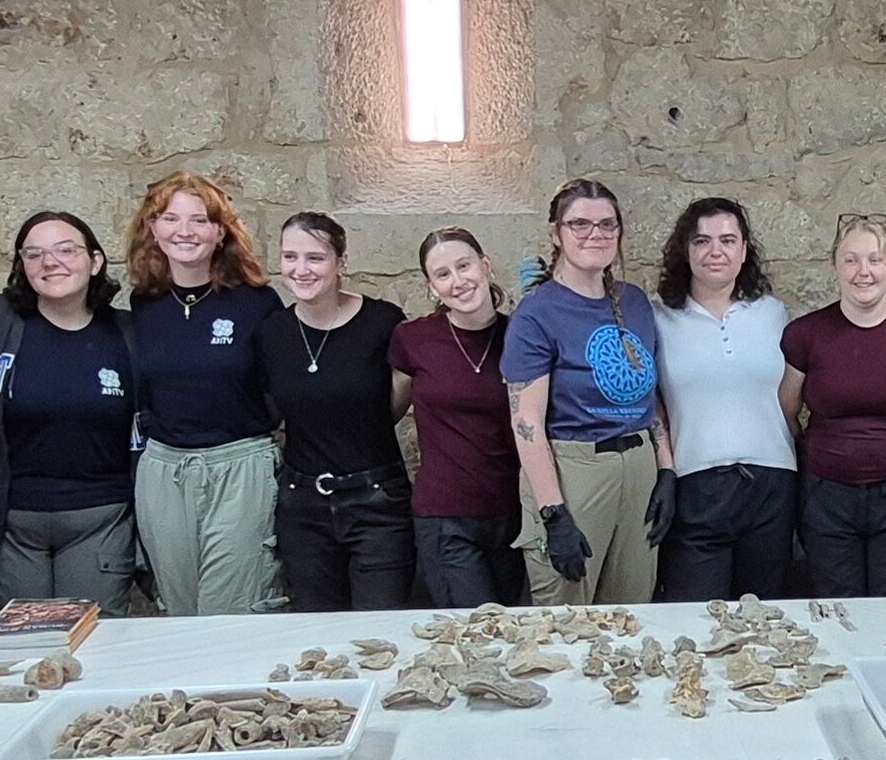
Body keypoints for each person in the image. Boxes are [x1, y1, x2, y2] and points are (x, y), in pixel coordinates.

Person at [0, 210, 147, 615]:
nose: (50, 262)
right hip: (13, 525)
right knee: (25, 646)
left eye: (66, 250)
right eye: (34, 254)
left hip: (100, 518)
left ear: (95, 261)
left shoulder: (129, 333)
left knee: (94, 644)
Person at [122, 171, 283, 616]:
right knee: (178, 608)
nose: (185, 232)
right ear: (152, 229)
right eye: (171, 219)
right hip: (164, 469)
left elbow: (279, 389)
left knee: (230, 607)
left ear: (220, 232)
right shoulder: (142, 305)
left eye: (200, 220)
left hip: (239, 464)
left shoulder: (257, 303)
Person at [507, 178, 668, 605]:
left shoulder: (634, 303)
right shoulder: (537, 313)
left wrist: (666, 469)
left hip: (638, 466)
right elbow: (526, 422)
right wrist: (553, 513)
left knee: (633, 613)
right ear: (555, 232)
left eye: (606, 224)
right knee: (565, 618)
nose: (595, 234)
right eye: (579, 224)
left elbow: (647, 394)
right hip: (573, 468)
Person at [780, 213, 886, 598]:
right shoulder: (806, 333)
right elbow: (788, 407)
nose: (863, 272)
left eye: (875, 259)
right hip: (827, 498)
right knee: (838, 609)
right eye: (851, 259)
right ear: (835, 265)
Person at [261, 211, 412, 612]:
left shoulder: (383, 322)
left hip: (377, 501)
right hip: (302, 506)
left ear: (341, 262)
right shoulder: (272, 332)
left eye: (315, 257)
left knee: (381, 629)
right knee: (317, 629)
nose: (301, 269)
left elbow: (396, 402)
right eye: (290, 257)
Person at [653, 197, 797, 602]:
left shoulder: (773, 313)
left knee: (765, 616)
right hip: (696, 484)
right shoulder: (658, 316)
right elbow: (650, 400)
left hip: (772, 481)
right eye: (702, 241)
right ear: (685, 250)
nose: (715, 251)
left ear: (744, 249)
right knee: (697, 616)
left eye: (727, 240)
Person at [395, 226, 528, 608]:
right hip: (445, 517)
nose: (458, 281)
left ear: (486, 266)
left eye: (464, 266)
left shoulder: (520, 335)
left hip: (513, 514)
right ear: (431, 286)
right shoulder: (413, 339)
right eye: (443, 274)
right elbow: (389, 411)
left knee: (513, 632)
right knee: (476, 628)